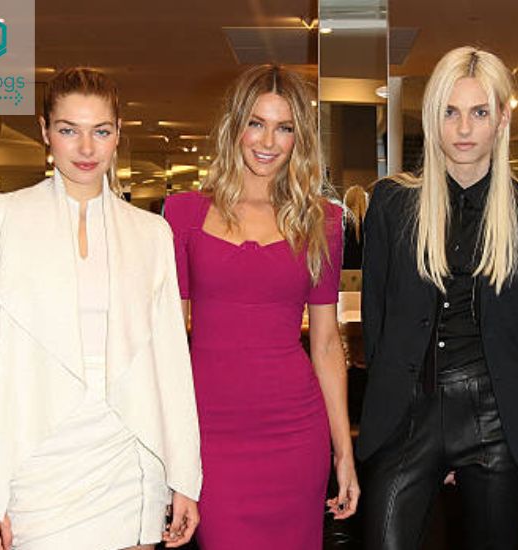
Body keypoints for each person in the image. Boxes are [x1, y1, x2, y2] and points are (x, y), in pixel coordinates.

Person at [0, 67, 202, 550]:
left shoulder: (151, 233)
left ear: (118, 134)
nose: (86, 148)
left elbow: (172, 360)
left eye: (101, 131)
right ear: (45, 131)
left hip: (128, 455)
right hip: (30, 459)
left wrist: (185, 474)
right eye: (69, 130)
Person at [357, 46, 518, 550]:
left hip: (493, 420)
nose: (464, 128)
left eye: (479, 112)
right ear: (433, 118)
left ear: (502, 118)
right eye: (450, 112)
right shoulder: (391, 203)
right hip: (406, 415)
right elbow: (377, 319)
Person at [163, 64, 359, 549]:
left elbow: (327, 344)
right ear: (235, 126)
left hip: (295, 431)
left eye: (284, 127)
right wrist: (172, 451)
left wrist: (344, 452)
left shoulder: (323, 221)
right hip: (210, 433)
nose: (268, 141)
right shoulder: (184, 214)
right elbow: (167, 344)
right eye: (256, 123)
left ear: (299, 138)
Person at [342, 184, 368, 269]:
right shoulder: (370, 226)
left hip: (345, 273)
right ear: (364, 202)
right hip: (364, 273)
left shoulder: (342, 224)